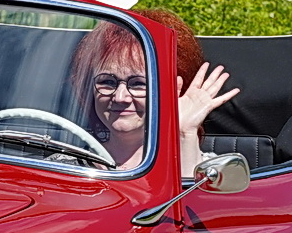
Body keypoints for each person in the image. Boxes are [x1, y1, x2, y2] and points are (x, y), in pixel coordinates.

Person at [70, 9, 238, 174]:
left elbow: (190, 201)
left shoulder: (215, 172)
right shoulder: (64, 166)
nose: (120, 97)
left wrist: (183, 133)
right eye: (107, 81)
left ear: (173, 91)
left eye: (138, 84)